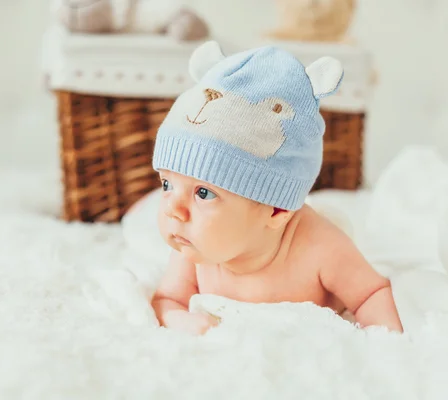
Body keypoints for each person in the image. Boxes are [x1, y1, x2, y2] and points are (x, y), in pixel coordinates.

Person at [150, 41, 403, 335]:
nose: (173, 209)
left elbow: (371, 293)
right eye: (167, 184)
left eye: (203, 193)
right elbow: (167, 300)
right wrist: (181, 320)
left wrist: (383, 343)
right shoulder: (192, 248)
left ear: (276, 210)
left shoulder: (320, 249)